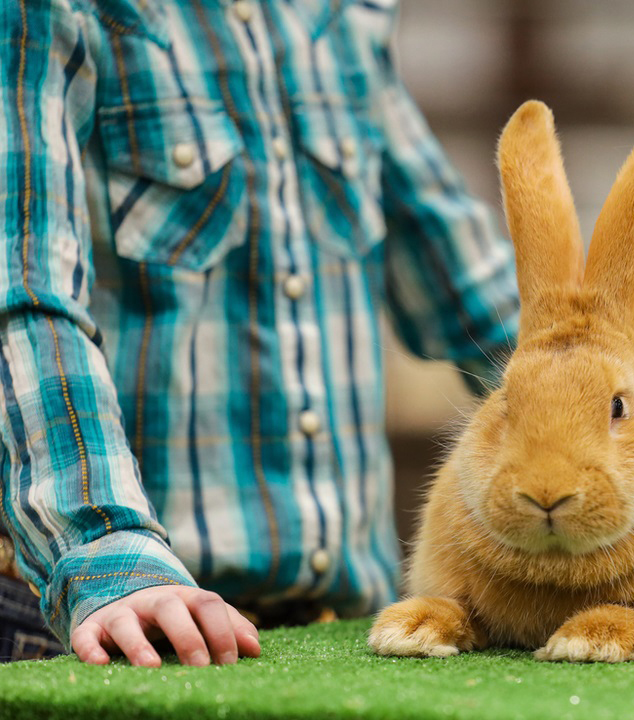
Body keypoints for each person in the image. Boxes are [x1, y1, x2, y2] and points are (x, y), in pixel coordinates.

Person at [0, 0, 517, 665]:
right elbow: (23, 294)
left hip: (336, 634)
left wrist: (624, 417)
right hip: (107, 629)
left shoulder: (340, 18)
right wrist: (106, 549)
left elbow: (478, 295)